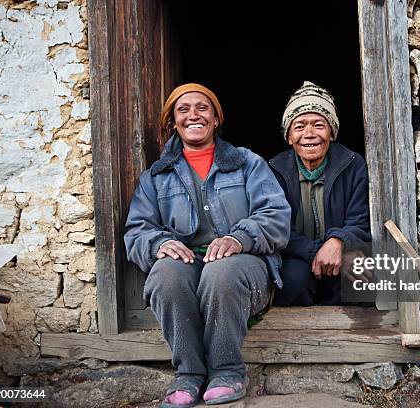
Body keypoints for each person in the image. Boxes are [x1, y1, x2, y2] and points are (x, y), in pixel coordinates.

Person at [124, 83, 290, 407]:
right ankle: (188, 376)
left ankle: (227, 371)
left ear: (216, 119)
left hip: (245, 265)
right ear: (173, 122)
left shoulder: (247, 163)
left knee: (220, 272)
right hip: (189, 266)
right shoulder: (156, 177)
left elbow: (276, 215)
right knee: (165, 276)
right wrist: (159, 243)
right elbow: (136, 231)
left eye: (202, 108)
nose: (193, 115)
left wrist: (237, 238)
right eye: (183, 110)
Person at [269, 81, 371, 306]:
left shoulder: (352, 164)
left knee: (362, 275)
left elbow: (359, 221)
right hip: (295, 255)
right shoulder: (274, 170)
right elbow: (276, 228)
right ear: (289, 136)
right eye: (299, 126)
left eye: (318, 125)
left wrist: (338, 242)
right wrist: (318, 250)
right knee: (292, 280)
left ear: (331, 132)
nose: (309, 134)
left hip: (343, 250)